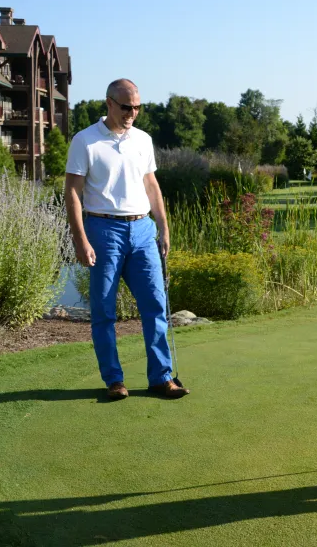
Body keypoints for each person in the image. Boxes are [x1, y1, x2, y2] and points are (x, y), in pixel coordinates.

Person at [63, 79, 188, 400]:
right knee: (104, 310)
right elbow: (73, 194)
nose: (131, 113)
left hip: (143, 229)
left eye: (136, 107)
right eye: (125, 107)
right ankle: (114, 381)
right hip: (103, 230)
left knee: (155, 305)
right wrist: (80, 240)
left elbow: (152, 186)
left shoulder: (142, 140)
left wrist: (164, 227)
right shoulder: (85, 141)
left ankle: (161, 378)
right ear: (108, 103)